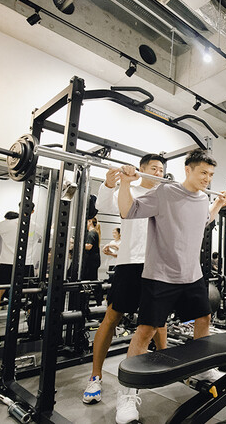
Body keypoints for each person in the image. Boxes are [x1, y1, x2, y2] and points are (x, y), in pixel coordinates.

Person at [116, 149, 226, 424]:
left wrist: (217, 205)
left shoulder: (203, 198)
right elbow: (127, 210)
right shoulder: (164, 192)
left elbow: (202, 221)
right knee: (146, 331)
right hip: (161, 274)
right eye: (203, 172)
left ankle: (202, 368)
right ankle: (127, 394)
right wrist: (125, 183)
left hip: (191, 274)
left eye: (211, 174)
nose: (207, 178)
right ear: (187, 170)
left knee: (204, 319)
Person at [83, 154, 167, 406]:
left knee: (157, 320)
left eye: (161, 170)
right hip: (130, 262)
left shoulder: (165, 195)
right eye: (154, 168)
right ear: (142, 169)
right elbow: (105, 206)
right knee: (112, 317)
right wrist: (110, 184)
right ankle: (95, 376)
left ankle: (167, 366)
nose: (159, 173)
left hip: (157, 263)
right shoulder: (129, 189)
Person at [0, 206, 40, 333]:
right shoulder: (36, 227)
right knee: (30, 294)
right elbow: (50, 237)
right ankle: (32, 324)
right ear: (33, 211)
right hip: (26, 265)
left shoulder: (7, 224)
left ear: (20, 208)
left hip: (8, 264)